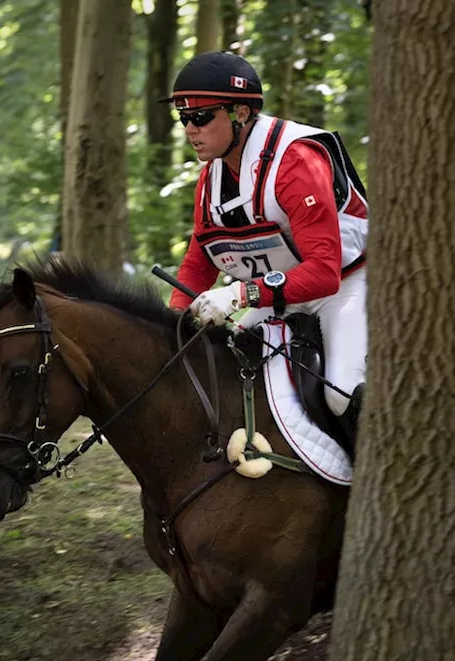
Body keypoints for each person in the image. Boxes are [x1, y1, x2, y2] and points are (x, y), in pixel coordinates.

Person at [162, 51, 369, 452]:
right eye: (183, 118)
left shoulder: (296, 163)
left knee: (340, 392)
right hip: (283, 293)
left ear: (240, 112)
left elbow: (324, 274)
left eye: (202, 117)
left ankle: (372, 489)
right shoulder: (210, 180)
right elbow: (198, 262)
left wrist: (240, 293)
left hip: (343, 287)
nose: (190, 129)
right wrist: (170, 326)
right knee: (227, 370)